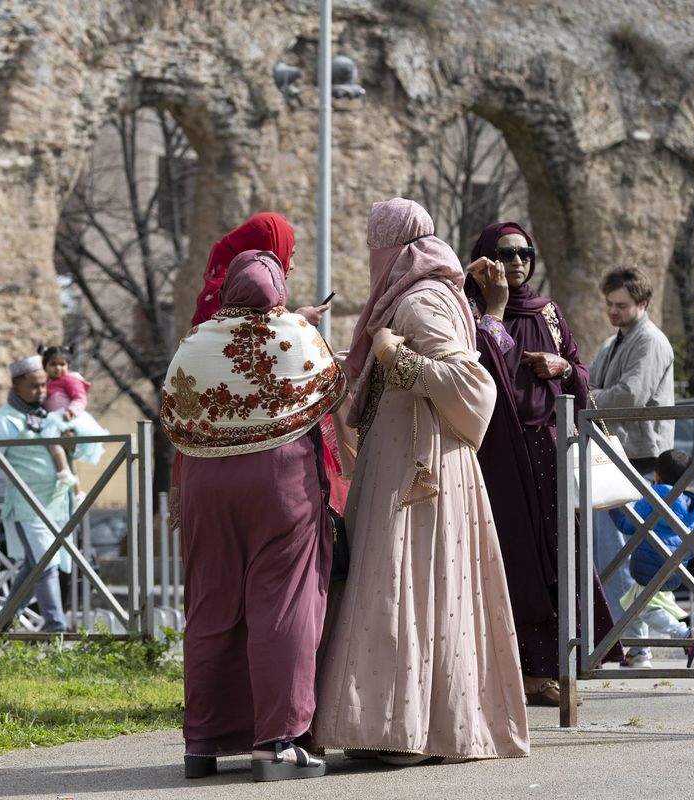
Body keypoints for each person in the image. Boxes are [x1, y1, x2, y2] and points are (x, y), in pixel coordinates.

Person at [314, 198, 528, 764]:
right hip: (405, 456)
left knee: (406, 583)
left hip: (421, 467)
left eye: (375, 248)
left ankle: (405, 731)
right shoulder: (416, 295)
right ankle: (389, 725)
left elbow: (471, 384)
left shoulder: (422, 299)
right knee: (403, 584)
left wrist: (398, 360)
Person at [161, 249, 346, 783]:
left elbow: (173, 412)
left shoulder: (194, 342)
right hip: (279, 483)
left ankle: (203, 743)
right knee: (283, 605)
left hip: (205, 484)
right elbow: (333, 391)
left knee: (211, 603)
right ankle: (277, 745)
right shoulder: (295, 333)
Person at [463, 221, 622, 705]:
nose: (516, 263)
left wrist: (562, 369)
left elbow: (579, 371)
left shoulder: (549, 311)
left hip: (549, 448)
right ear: (485, 258)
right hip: (497, 453)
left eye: (524, 253)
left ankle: (560, 664)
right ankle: (518, 671)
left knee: (561, 556)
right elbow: (480, 369)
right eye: (505, 254)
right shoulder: (470, 311)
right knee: (514, 556)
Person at [173, 211, 348, 524]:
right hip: (270, 468)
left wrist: (294, 320)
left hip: (210, 465)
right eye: (289, 254)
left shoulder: (211, 309)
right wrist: (298, 328)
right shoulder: (244, 313)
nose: (291, 265)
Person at [589, 266, 676, 663]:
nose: (613, 311)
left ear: (642, 302)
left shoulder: (651, 341)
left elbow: (631, 395)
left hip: (642, 458)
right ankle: (626, 638)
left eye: (621, 305)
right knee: (613, 552)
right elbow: (594, 385)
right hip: (618, 456)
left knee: (630, 554)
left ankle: (636, 643)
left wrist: (589, 399)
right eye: (609, 304)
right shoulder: (613, 343)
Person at [0, 355, 75, 633]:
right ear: (16, 386)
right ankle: (55, 626)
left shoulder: (47, 414)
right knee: (46, 563)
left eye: (44, 385)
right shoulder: (4, 420)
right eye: (34, 386)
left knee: (34, 565)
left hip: (55, 503)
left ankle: (5, 621)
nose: (41, 392)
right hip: (27, 505)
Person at [609, 449, 694, 668]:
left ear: (657, 476)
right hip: (676, 567)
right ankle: (638, 652)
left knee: (643, 607)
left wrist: (613, 505)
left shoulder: (655, 496)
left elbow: (627, 524)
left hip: (649, 566)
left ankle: (685, 635)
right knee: (631, 603)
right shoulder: (692, 504)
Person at [39, 344, 108, 493]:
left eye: (62, 364)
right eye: (53, 364)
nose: (58, 368)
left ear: (68, 365)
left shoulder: (69, 380)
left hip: (66, 419)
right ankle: (77, 493)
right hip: (54, 420)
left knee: (52, 441)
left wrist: (71, 411)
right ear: (45, 366)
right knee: (67, 459)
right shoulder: (47, 383)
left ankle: (63, 473)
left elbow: (80, 398)